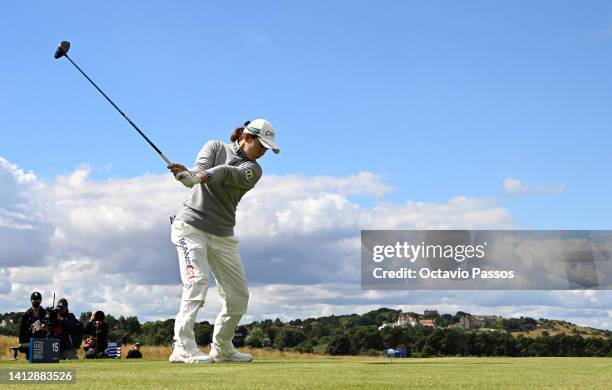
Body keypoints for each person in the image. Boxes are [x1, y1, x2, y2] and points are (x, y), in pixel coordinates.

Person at [167, 119, 279, 363]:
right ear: (247, 137)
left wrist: (198, 178)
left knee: (238, 296)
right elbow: (200, 167)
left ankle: (223, 347)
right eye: (261, 146)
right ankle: (183, 347)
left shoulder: (254, 169)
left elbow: (227, 173)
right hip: (189, 228)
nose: (263, 153)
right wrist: (189, 175)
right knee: (197, 282)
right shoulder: (215, 147)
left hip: (223, 236)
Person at [15, 291, 47, 358]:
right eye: (34, 299)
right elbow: (22, 331)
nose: (36, 301)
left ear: (41, 300)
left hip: (43, 343)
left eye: (38, 299)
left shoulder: (45, 313)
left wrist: (44, 328)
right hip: (30, 344)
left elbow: (50, 328)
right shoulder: (26, 314)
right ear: (30, 300)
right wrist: (22, 344)